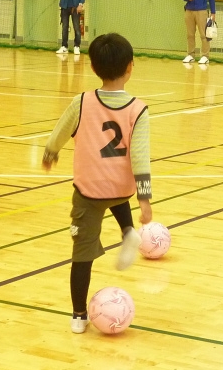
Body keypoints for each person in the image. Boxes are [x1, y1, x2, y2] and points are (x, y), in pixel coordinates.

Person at [42, 33, 152, 334]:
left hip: (90, 190)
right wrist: (144, 199)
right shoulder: (138, 109)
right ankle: (128, 230)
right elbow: (140, 157)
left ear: (92, 68)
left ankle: (79, 315)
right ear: (131, 67)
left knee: (82, 256)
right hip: (122, 189)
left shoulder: (82, 101)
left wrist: (51, 151)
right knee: (117, 195)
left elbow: (61, 129)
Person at [181, 0, 216, 65]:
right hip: (189, 11)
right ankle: (190, 55)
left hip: (202, 11)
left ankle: (205, 56)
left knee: (203, 34)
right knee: (190, 34)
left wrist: (213, 12)